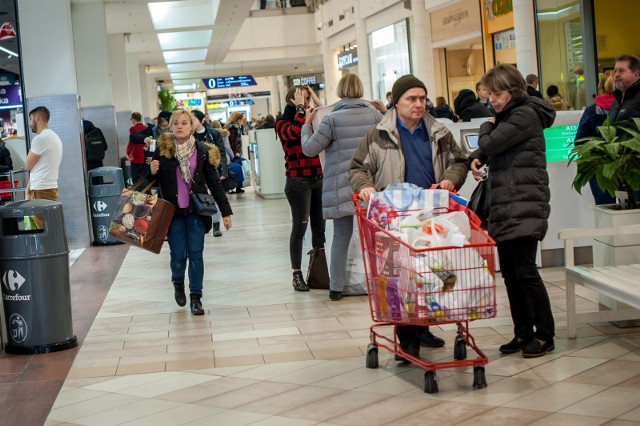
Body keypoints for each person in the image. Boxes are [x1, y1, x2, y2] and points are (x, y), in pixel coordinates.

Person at [349, 74, 469, 360]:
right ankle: (408, 340)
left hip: (431, 215)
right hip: (394, 216)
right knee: (400, 276)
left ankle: (423, 326)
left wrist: (451, 179)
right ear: (396, 101)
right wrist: (364, 186)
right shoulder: (377, 134)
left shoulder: (438, 131)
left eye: (422, 98)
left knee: (431, 272)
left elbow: (459, 161)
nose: (418, 104)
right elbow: (357, 168)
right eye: (411, 99)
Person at [470, 64, 556, 358]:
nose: (491, 99)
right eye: (489, 93)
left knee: (525, 271)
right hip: (509, 203)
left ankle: (545, 335)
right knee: (511, 273)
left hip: (523, 203)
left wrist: (485, 128)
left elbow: (491, 142)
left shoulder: (524, 114)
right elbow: (493, 147)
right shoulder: (511, 115)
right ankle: (523, 333)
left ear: (514, 90)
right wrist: (481, 152)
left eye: (497, 93)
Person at [301, 73, 384, 301]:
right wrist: (384, 111)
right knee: (374, 236)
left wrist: (306, 125)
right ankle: (377, 284)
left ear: (339, 92)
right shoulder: (375, 115)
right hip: (370, 184)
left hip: (341, 185)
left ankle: (336, 288)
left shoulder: (332, 120)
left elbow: (309, 149)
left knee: (341, 236)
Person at [148, 109, 233, 315]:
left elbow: (214, 183)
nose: (179, 126)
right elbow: (149, 180)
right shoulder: (163, 150)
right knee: (178, 256)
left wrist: (226, 212)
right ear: (170, 126)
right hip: (172, 213)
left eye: (184, 123)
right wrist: (150, 170)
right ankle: (178, 282)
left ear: (192, 126)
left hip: (196, 211)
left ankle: (196, 297)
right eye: (176, 123)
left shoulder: (203, 150)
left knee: (196, 254)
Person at [275, 85, 325, 292]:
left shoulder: (314, 117)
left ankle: (320, 272)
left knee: (319, 227)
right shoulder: (282, 121)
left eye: (307, 99)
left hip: (319, 177)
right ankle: (296, 274)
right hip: (297, 181)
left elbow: (331, 119)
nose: (305, 102)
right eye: (300, 99)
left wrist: (317, 100)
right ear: (291, 100)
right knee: (300, 228)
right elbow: (294, 134)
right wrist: (300, 112)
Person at [575, 71, 616, 205]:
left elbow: (580, 140)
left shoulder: (592, 111)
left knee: (605, 207)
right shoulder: (623, 108)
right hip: (626, 164)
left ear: (599, 85)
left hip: (599, 166)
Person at [192, 109, 228, 237]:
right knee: (203, 197)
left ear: (201, 120)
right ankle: (204, 221)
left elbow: (221, 153)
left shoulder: (213, 134)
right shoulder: (190, 136)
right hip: (197, 173)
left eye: (194, 119)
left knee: (215, 196)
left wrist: (223, 171)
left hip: (212, 170)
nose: (191, 122)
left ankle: (216, 224)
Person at [25, 106, 63, 201]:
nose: (29, 124)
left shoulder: (40, 139)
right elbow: (40, 167)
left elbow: (28, 166)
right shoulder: (54, 137)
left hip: (41, 191)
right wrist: (28, 188)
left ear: (37, 117)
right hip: (49, 188)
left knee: (42, 216)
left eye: (30, 119)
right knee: (50, 216)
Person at [609, 53, 640, 124]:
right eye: (615, 71)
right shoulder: (615, 102)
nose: (616, 75)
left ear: (636, 75)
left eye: (621, 71)